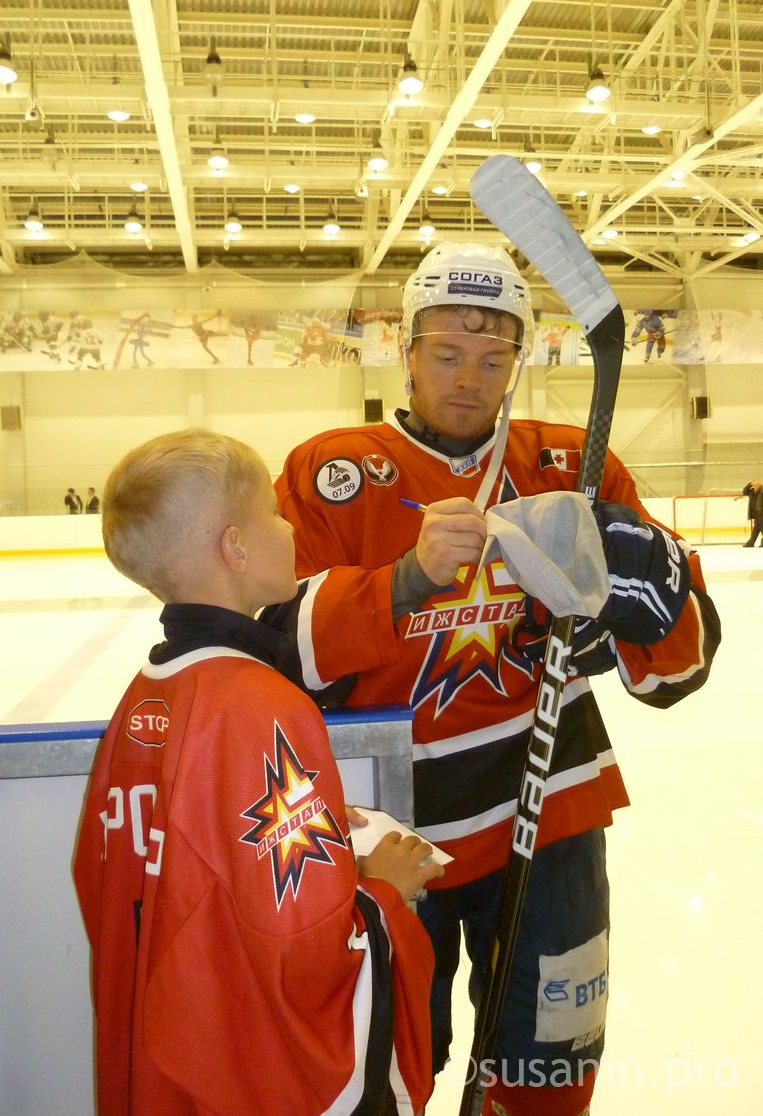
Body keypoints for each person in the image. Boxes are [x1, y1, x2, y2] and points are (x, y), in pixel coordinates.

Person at [273, 242, 721, 1116]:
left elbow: (678, 672)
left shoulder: (570, 466)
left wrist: (639, 604)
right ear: (406, 351)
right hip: (390, 831)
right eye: (446, 354)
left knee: (549, 1068)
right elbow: (278, 659)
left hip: (550, 808)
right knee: (384, 1072)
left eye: (493, 358)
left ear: (520, 361)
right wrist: (401, 581)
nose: (469, 378)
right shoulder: (333, 472)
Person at [73, 428, 442, 1116]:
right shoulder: (265, 707)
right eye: (274, 511)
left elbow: (180, 877)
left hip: (170, 1066)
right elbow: (303, 945)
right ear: (236, 547)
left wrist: (320, 832)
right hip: (239, 1078)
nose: (291, 526)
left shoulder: (145, 697)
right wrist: (382, 892)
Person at [742, 479, 763, 546]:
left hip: (762, 514)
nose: (754, 486)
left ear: (759, 485)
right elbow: (744, 492)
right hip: (755, 513)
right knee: (756, 529)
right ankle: (751, 543)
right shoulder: (752, 492)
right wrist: (749, 484)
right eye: (753, 485)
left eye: (755, 485)